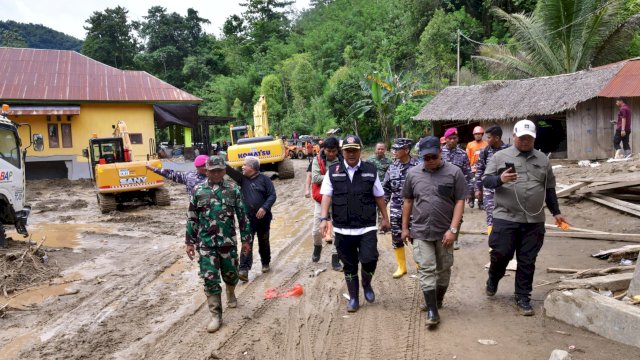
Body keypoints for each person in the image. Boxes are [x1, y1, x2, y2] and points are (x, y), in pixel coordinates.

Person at [482, 119, 568, 316]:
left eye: (529, 138)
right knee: (501, 254)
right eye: (522, 138)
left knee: (527, 260)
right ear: (514, 136)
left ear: (534, 138)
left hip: (534, 220)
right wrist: (500, 179)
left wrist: (556, 212)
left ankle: (523, 297)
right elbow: (486, 181)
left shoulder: (543, 160)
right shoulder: (499, 156)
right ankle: (494, 277)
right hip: (506, 217)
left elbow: (549, 189)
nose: (525, 141)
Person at [320, 135, 390, 312]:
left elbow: (379, 196)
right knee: (349, 265)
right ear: (342, 152)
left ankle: (366, 283)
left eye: (354, 150)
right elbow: (326, 196)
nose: (351, 153)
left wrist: (385, 218)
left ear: (360, 151)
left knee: (370, 259)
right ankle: (353, 298)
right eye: (347, 150)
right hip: (343, 228)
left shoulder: (370, 170)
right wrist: (324, 219)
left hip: (366, 226)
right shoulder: (333, 171)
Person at [401, 136, 466, 327]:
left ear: (440, 152)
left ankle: (438, 299)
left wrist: (453, 230)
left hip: (444, 232)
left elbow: (460, 201)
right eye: (425, 158)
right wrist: (405, 228)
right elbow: (408, 201)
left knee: (444, 269)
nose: (429, 161)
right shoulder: (413, 174)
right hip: (420, 230)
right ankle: (432, 310)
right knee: (426, 268)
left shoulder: (454, 173)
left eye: (432, 157)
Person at [186, 155, 252, 333]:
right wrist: (189, 242)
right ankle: (216, 315)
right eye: (213, 170)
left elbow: (243, 217)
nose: (216, 173)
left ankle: (231, 292)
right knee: (209, 278)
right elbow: (192, 218)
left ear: (224, 170)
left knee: (231, 274)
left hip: (227, 242)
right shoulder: (198, 190)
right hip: (206, 243)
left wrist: (247, 240)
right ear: (206, 171)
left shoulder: (233, 190)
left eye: (220, 170)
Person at [225, 156, 277, 281]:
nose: (242, 167)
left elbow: (272, 195)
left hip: (264, 218)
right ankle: (243, 269)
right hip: (247, 219)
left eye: (244, 165)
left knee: (264, 241)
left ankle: (265, 263)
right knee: (247, 242)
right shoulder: (242, 179)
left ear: (252, 167)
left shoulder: (265, 180)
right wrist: (219, 161)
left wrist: (264, 208)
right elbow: (229, 171)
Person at [383, 138, 419, 279]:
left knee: (418, 238)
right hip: (397, 209)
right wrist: (383, 209)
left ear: (406, 150)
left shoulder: (418, 165)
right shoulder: (392, 167)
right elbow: (386, 190)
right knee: (396, 237)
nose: (394, 152)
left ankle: (420, 265)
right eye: (393, 149)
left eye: (397, 149)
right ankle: (401, 267)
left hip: (416, 209)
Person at [311, 137, 342, 270]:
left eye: (333, 151)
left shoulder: (342, 160)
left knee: (337, 232)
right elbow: (315, 178)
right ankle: (317, 246)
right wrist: (333, 176)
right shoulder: (317, 160)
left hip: (338, 200)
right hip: (321, 199)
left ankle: (335, 258)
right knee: (316, 230)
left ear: (337, 150)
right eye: (328, 151)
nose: (331, 154)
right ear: (324, 149)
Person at [474, 125, 510, 234]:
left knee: (506, 216)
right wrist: (478, 189)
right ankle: (492, 243)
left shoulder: (509, 150)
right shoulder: (485, 151)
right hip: (489, 190)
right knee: (490, 215)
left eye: (489, 137)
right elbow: (479, 170)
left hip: (506, 190)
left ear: (497, 138)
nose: (486, 140)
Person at [441, 128, 472, 250]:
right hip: (442, 189)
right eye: (450, 138)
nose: (452, 141)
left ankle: (455, 239)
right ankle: (442, 236)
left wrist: (470, 190)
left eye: (455, 138)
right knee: (443, 213)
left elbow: (468, 172)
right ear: (446, 139)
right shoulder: (440, 153)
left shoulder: (462, 154)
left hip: (458, 189)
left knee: (458, 216)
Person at [367, 142, 393, 233]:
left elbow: (391, 174)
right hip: (371, 186)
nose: (380, 150)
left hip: (384, 187)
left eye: (382, 149)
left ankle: (383, 226)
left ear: (385, 150)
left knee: (382, 206)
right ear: (375, 149)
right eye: (378, 149)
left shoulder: (389, 161)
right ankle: (374, 226)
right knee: (372, 206)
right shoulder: (369, 160)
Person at [465, 126, 488, 209]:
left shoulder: (486, 144)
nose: (477, 135)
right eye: (476, 134)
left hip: (483, 168)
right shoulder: (470, 144)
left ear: (482, 134)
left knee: (480, 186)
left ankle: (480, 203)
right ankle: (471, 200)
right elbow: (467, 157)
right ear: (473, 135)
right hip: (472, 168)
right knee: (471, 185)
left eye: (479, 134)